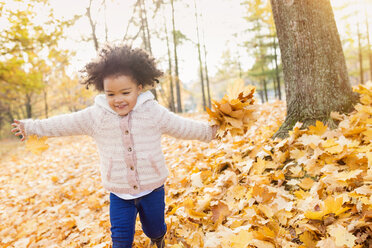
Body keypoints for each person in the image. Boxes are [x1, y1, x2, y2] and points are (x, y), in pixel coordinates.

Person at [11, 44, 218, 248]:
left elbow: (181, 127)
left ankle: (158, 238)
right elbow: (64, 123)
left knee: (154, 228)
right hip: (119, 194)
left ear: (138, 88)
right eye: (111, 94)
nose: (118, 100)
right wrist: (32, 127)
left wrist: (209, 133)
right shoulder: (96, 116)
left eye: (125, 93)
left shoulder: (152, 112)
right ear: (104, 92)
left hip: (152, 187)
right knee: (120, 240)